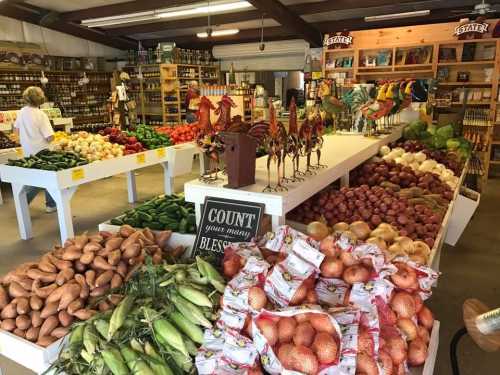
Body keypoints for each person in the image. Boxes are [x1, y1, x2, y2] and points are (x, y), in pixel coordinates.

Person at [14, 86, 56, 212]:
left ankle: (50, 203)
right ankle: (48, 204)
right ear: (40, 98)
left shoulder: (21, 112)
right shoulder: (41, 114)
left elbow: (16, 130)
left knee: (35, 177)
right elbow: (49, 137)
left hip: (28, 152)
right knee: (48, 177)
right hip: (43, 152)